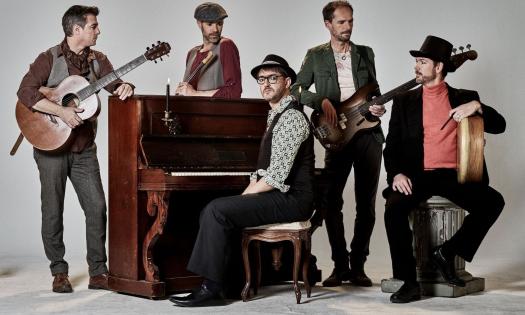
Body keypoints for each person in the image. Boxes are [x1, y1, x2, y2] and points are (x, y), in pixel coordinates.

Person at [169, 54, 314, 307]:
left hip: (293, 199)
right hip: (280, 194)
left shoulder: (291, 117)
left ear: (287, 82)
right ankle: (228, 284)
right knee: (217, 209)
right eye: (261, 80)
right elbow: (261, 173)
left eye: (273, 78)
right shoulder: (275, 115)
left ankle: (211, 289)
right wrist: (243, 195)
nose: (266, 84)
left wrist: (243, 197)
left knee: (217, 210)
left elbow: (274, 177)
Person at [16, 5, 134, 293]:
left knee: (97, 208)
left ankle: (98, 272)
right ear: (76, 29)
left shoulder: (99, 60)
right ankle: (59, 271)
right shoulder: (49, 58)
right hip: (50, 147)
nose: (98, 30)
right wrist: (61, 110)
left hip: (83, 149)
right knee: (52, 210)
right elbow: (25, 92)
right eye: (94, 26)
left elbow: (114, 82)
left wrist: (125, 86)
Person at [383, 35, 505, 303]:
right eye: (416, 61)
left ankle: (447, 253)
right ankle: (409, 282)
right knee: (394, 209)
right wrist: (396, 174)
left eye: (422, 61)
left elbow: (500, 125)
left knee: (493, 202)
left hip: (454, 175)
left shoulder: (465, 97)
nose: (416, 66)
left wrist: (478, 107)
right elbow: (390, 147)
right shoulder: (404, 101)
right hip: (418, 175)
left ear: (438, 67)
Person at [291, 0, 385, 287]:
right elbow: (295, 89)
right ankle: (340, 266)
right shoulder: (315, 55)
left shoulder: (365, 53)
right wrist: (320, 100)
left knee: (366, 204)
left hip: (368, 134)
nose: (347, 27)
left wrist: (377, 107)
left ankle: (358, 266)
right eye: (341, 22)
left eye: (351, 21)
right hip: (336, 135)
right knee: (331, 201)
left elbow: (375, 92)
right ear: (328, 24)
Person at [175, 2, 242, 98]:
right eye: (209, 24)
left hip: (215, 112)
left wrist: (195, 94)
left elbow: (234, 91)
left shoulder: (226, 46)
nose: (215, 29)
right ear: (199, 23)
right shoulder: (192, 53)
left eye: (219, 23)